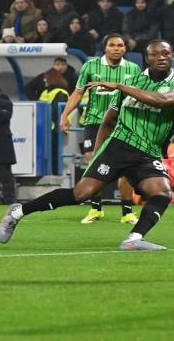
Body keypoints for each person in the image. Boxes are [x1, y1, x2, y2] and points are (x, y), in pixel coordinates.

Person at [0, 40, 174, 251]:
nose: (161, 57)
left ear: (172, 56)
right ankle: (17, 212)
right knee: (81, 194)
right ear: (147, 59)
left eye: (165, 53)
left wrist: (120, 86)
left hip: (149, 152)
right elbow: (109, 121)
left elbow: (162, 100)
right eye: (155, 54)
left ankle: (133, 239)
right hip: (119, 146)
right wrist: (98, 152)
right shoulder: (132, 82)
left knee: (162, 193)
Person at [58, 34, 142, 225]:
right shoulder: (90, 66)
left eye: (120, 45)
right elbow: (78, 92)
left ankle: (127, 212)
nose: (116, 48)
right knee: (93, 163)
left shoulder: (133, 69)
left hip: (123, 123)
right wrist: (65, 115)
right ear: (105, 48)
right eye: (112, 45)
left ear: (125, 48)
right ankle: (96, 209)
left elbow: (139, 95)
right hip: (95, 121)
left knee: (126, 167)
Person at [38, 69, 69, 174]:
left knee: (54, 152)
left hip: (55, 128)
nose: (44, 80)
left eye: (45, 78)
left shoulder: (60, 93)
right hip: (45, 128)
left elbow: (57, 112)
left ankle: (55, 172)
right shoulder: (45, 92)